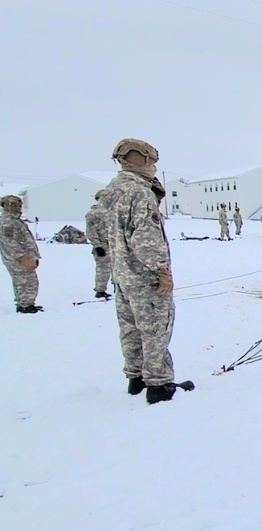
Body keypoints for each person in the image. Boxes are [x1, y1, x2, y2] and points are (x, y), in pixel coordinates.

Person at [105, 138, 184, 404]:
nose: (154, 164)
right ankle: (159, 384)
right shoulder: (139, 192)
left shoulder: (112, 191)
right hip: (144, 276)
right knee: (155, 328)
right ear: (138, 159)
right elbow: (145, 236)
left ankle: (136, 378)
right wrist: (161, 270)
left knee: (131, 328)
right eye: (150, 158)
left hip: (123, 274)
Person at [0, 195, 42, 313]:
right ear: (5, 206)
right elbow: (10, 243)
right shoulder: (7, 222)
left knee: (28, 281)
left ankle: (26, 303)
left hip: (25, 257)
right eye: (12, 204)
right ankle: (25, 305)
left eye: (18, 204)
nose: (17, 207)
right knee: (24, 281)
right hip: (17, 259)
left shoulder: (16, 221)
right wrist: (23, 258)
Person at [85, 189, 112, 298]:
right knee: (103, 269)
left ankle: (118, 288)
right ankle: (100, 290)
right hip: (103, 245)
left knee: (117, 268)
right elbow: (91, 231)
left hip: (114, 245)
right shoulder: (93, 213)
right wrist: (97, 246)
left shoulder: (112, 211)